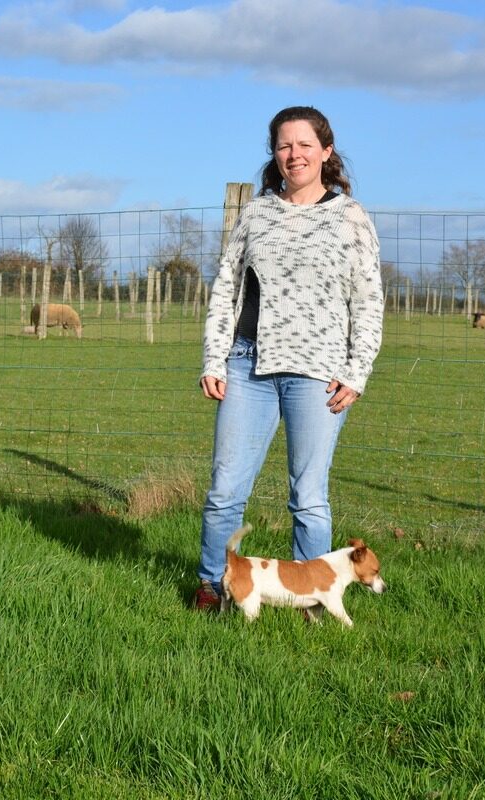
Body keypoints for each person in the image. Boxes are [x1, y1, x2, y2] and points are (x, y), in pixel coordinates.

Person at [195, 106, 384, 612]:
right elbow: (226, 288)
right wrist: (214, 358)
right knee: (224, 491)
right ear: (274, 154)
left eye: (304, 145)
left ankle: (313, 601)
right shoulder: (255, 214)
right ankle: (215, 587)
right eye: (283, 145)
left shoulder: (350, 217)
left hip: (318, 374)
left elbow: (368, 301)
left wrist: (357, 371)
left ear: (326, 151)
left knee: (308, 496)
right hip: (247, 366)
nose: (293, 154)